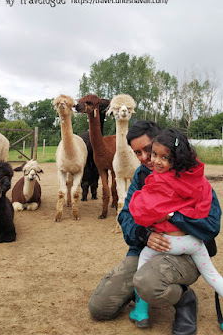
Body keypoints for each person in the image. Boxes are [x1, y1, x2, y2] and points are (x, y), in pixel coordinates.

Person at [88, 120, 222, 335]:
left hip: (185, 253)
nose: (145, 158)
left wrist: (170, 214)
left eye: (149, 150)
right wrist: (144, 234)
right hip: (146, 249)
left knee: (148, 284)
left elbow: (212, 225)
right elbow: (126, 216)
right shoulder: (141, 176)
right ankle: (147, 290)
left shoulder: (189, 175)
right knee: (100, 308)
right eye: (137, 153)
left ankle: (184, 299)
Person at [129, 128, 223, 330]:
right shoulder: (192, 179)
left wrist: (165, 215)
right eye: (155, 154)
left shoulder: (162, 180)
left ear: (176, 159)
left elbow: (141, 210)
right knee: (213, 276)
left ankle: (141, 310)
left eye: (164, 157)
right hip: (194, 243)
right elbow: (202, 203)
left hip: (172, 243)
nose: (155, 161)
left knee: (144, 259)